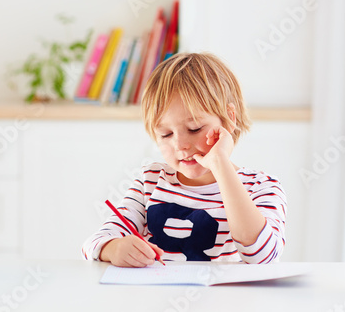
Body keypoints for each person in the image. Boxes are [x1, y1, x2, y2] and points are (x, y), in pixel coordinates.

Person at [82, 52, 287, 267]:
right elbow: (93, 243)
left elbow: (263, 256)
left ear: (229, 119)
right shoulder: (150, 181)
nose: (180, 145)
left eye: (194, 128)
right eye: (166, 134)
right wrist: (114, 248)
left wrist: (220, 164)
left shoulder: (262, 187)